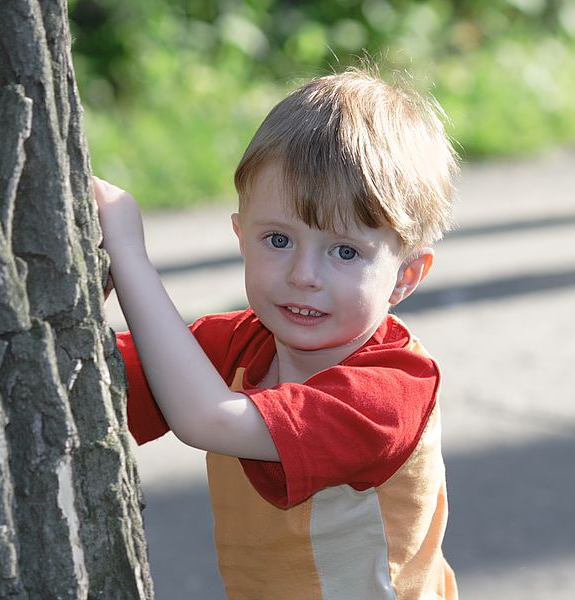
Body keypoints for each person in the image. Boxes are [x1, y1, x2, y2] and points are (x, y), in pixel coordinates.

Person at [95, 68, 460, 599]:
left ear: (405, 276)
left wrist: (128, 257)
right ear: (241, 235)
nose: (303, 275)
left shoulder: (390, 392)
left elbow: (210, 419)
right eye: (278, 239)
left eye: (345, 251)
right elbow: (97, 386)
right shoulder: (239, 343)